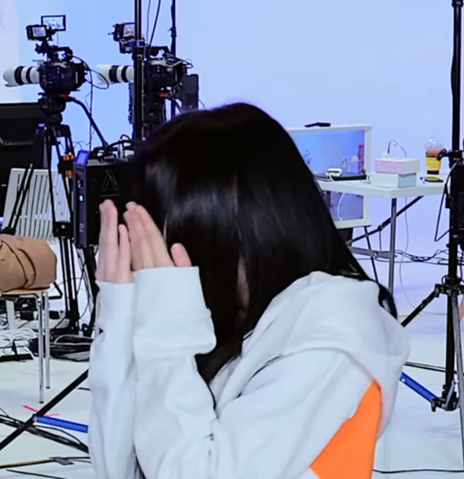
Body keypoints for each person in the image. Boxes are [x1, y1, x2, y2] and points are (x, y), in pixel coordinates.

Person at [88, 103, 409, 479]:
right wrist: (119, 322)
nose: (148, 260)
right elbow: (121, 470)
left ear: (215, 237)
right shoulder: (242, 320)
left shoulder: (329, 338)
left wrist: (167, 324)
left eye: (158, 238)